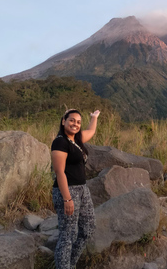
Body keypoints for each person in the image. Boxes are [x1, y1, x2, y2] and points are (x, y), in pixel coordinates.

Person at [51, 108, 100, 269]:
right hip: (67, 190)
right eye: (71, 120)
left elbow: (91, 131)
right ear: (63, 121)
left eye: (78, 122)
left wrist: (93, 117)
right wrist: (67, 198)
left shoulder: (76, 140)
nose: (75, 124)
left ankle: (70, 264)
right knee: (68, 234)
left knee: (88, 228)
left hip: (82, 189)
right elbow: (59, 172)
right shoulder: (60, 142)